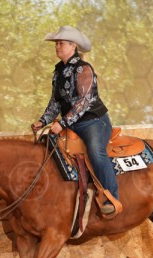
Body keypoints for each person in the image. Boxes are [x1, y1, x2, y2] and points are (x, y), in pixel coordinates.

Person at [32, 25, 119, 215]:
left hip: (94, 121)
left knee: (96, 152)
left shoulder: (83, 69)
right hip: (72, 123)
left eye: (61, 43)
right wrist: (43, 120)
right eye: (56, 43)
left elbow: (84, 101)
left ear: (73, 46)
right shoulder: (58, 71)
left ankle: (112, 198)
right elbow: (55, 101)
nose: (57, 47)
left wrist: (62, 123)